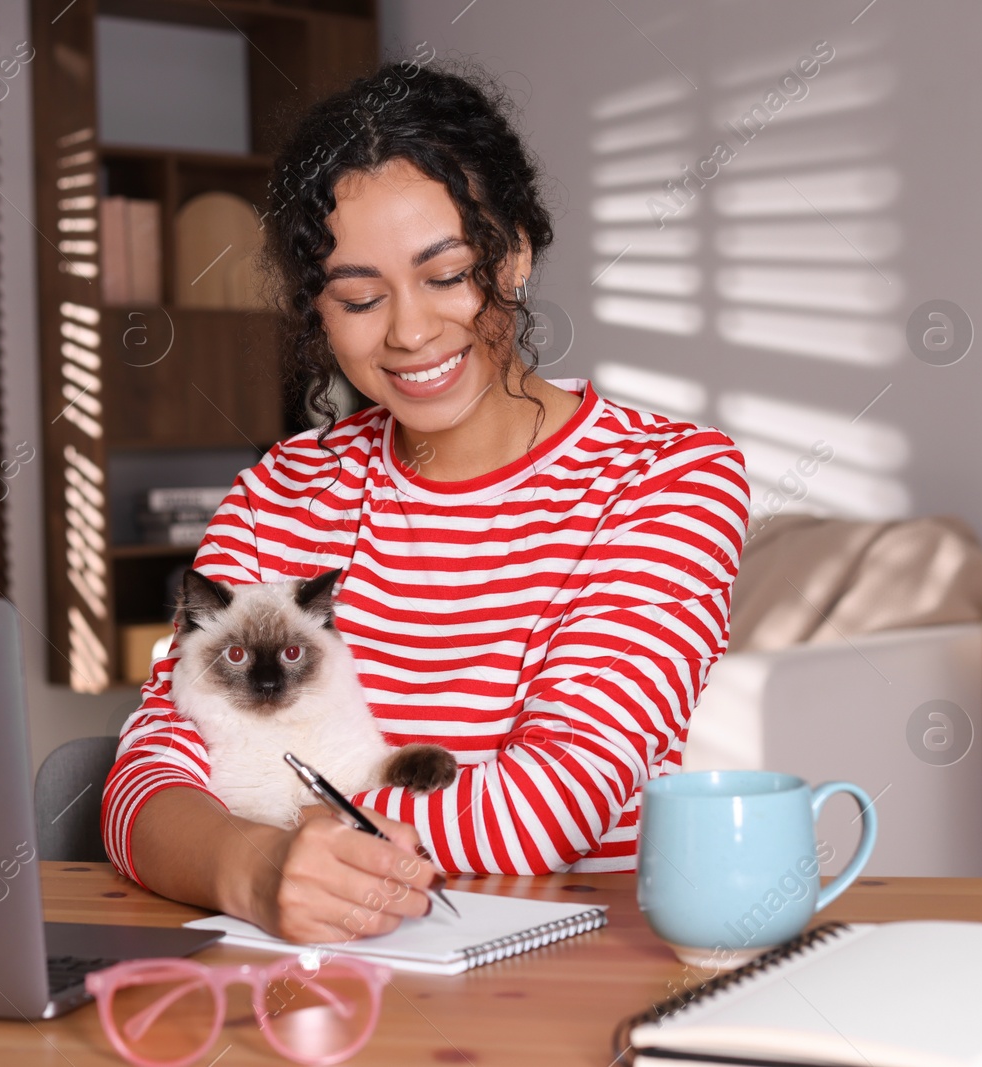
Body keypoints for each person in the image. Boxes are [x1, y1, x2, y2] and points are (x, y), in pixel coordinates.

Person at [100, 61, 748, 944]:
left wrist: (280, 835)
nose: (408, 332)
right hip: (315, 979)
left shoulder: (667, 479)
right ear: (319, 312)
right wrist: (254, 872)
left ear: (513, 253)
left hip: (565, 971)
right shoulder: (279, 493)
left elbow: (551, 807)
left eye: (446, 276)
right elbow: (148, 776)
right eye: (360, 297)